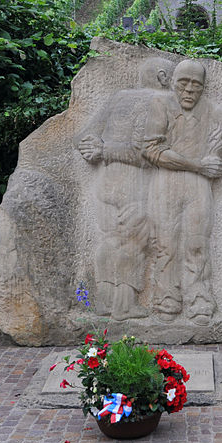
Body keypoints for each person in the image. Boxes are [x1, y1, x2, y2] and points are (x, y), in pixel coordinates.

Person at [75, 57, 174, 321]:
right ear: (163, 76)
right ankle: (125, 304)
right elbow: (145, 152)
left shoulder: (118, 98)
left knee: (110, 240)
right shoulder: (161, 101)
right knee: (134, 242)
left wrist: (97, 148)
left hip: (106, 181)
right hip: (135, 182)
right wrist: (105, 149)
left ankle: (104, 302)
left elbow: (83, 137)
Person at [142, 59, 222, 325]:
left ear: (203, 88)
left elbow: (213, 160)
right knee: (165, 243)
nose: (189, 90)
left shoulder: (217, 115)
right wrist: (196, 164)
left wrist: (202, 166)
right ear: (172, 83)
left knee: (197, 243)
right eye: (183, 83)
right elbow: (152, 150)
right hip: (165, 183)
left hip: (198, 187)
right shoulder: (160, 106)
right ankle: (166, 297)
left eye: (196, 85)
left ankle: (199, 298)